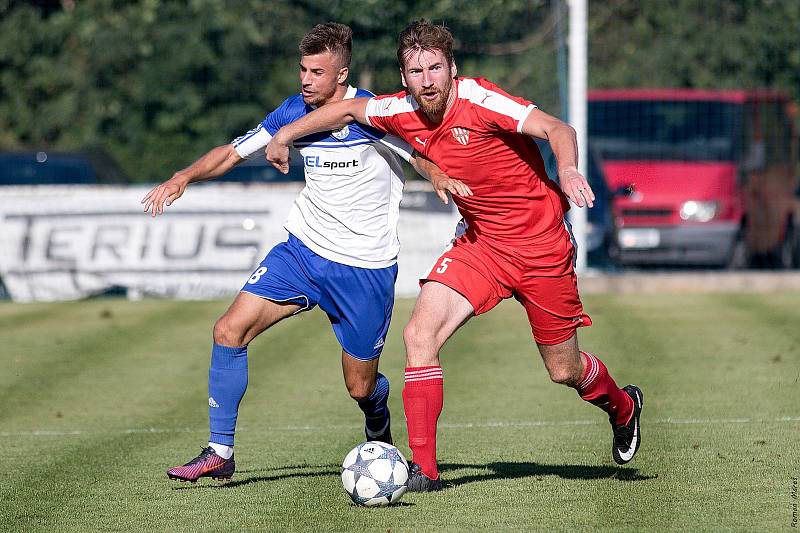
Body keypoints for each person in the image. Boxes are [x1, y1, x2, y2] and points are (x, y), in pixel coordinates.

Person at [266, 19, 643, 492]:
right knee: (418, 334)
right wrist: (284, 136)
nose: (426, 80)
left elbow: (557, 128)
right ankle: (425, 470)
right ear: (404, 78)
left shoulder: (480, 100)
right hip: (481, 245)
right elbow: (344, 112)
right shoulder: (398, 108)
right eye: (416, 70)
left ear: (452, 70)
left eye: (434, 68)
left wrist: (566, 171)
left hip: (541, 246)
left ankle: (622, 406)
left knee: (563, 370)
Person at [142, 22, 468, 483]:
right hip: (302, 252)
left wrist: (436, 176)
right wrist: (182, 178)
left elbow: (419, 153)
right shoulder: (292, 113)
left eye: (317, 71)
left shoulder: (373, 112)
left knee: (359, 385)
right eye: (302, 69)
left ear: (342, 75)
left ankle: (377, 414)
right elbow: (234, 153)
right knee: (228, 330)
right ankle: (220, 450)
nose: (306, 79)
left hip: (364, 270)